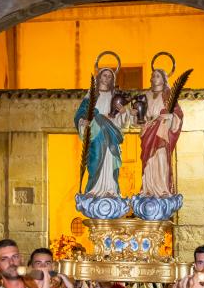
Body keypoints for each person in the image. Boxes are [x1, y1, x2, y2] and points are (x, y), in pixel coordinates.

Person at [75, 66, 131, 197]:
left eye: (110, 76)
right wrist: (83, 120)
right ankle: (94, 190)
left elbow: (121, 119)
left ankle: (111, 189)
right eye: (104, 75)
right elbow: (81, 113)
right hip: (96, 134)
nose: (107, 78)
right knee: (95, 159)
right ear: (99, 77)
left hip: (111, 134)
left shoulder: (114, 96)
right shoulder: (91, 96)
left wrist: (123, 112)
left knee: (110, 160)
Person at [138, 67, 184, 197]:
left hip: (162, 129)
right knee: (149, 160)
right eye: (153, 75)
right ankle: (148, 188)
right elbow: (141, 116)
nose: (154, 78)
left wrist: (169, 117)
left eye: (157, 75)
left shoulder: (169, 94)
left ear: (164, 79)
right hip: (149, 129)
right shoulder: (146, 95)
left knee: (161, 157)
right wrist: (138, 115)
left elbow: (178, 113)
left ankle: (163, 188)